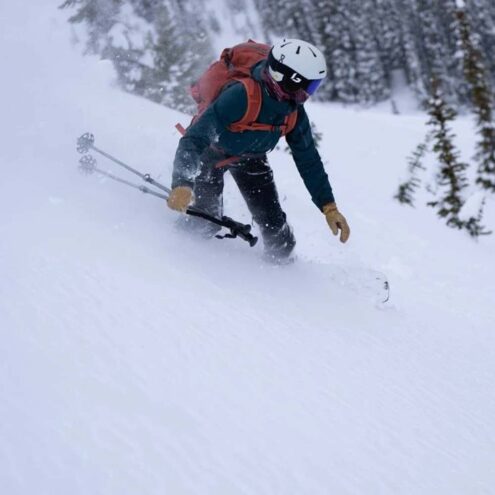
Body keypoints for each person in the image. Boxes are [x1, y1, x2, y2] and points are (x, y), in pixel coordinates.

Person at [167, 38, 350, 262]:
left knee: (281, 241)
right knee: (204, 223)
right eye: (308, 86)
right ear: (289, 80)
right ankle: (173, 259)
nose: (308, 94)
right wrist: (182, 183)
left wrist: (328, 207)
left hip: (251, 159)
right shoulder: (241, 96)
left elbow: (308, 160)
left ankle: (280, 285)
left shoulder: (293, 112)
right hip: (211, 155)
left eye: (313, 86)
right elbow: (194, 139)